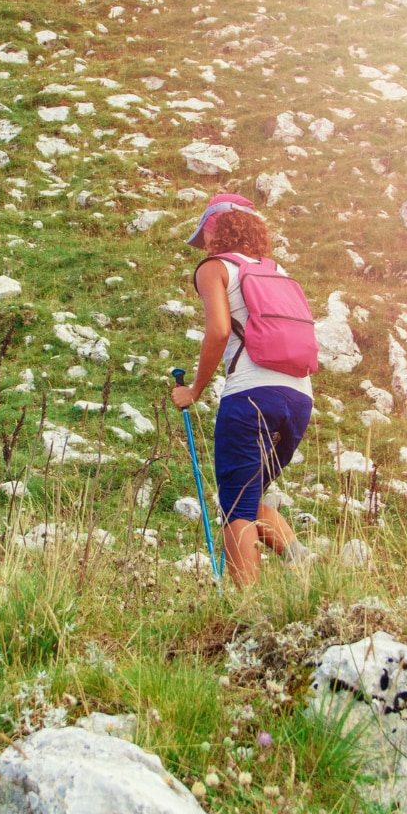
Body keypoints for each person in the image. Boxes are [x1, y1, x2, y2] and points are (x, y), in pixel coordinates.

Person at [173, 193, 315, 587]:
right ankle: (296, 556)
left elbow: (219, 331)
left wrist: (194, 391)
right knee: (248, 494)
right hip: (299, 398)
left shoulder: (214, 269)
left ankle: (246, 609)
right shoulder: (278, 271)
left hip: (250, 395)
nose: (204, 245)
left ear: (216, 229)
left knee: (235, 505)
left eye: (205, 236)